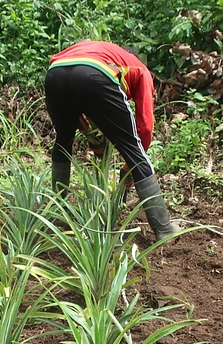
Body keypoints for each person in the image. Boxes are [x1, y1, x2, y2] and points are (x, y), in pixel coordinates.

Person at [44, 40, 182, 241]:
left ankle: (56, 219)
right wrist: (130, 167)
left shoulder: (99, 51)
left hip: (55, 73)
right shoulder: (139, 68)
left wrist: (95, 142)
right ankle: (164, 229)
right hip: (95, 74)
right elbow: (144, 127)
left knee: (63, 140)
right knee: (134, 152)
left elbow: (78, 114)